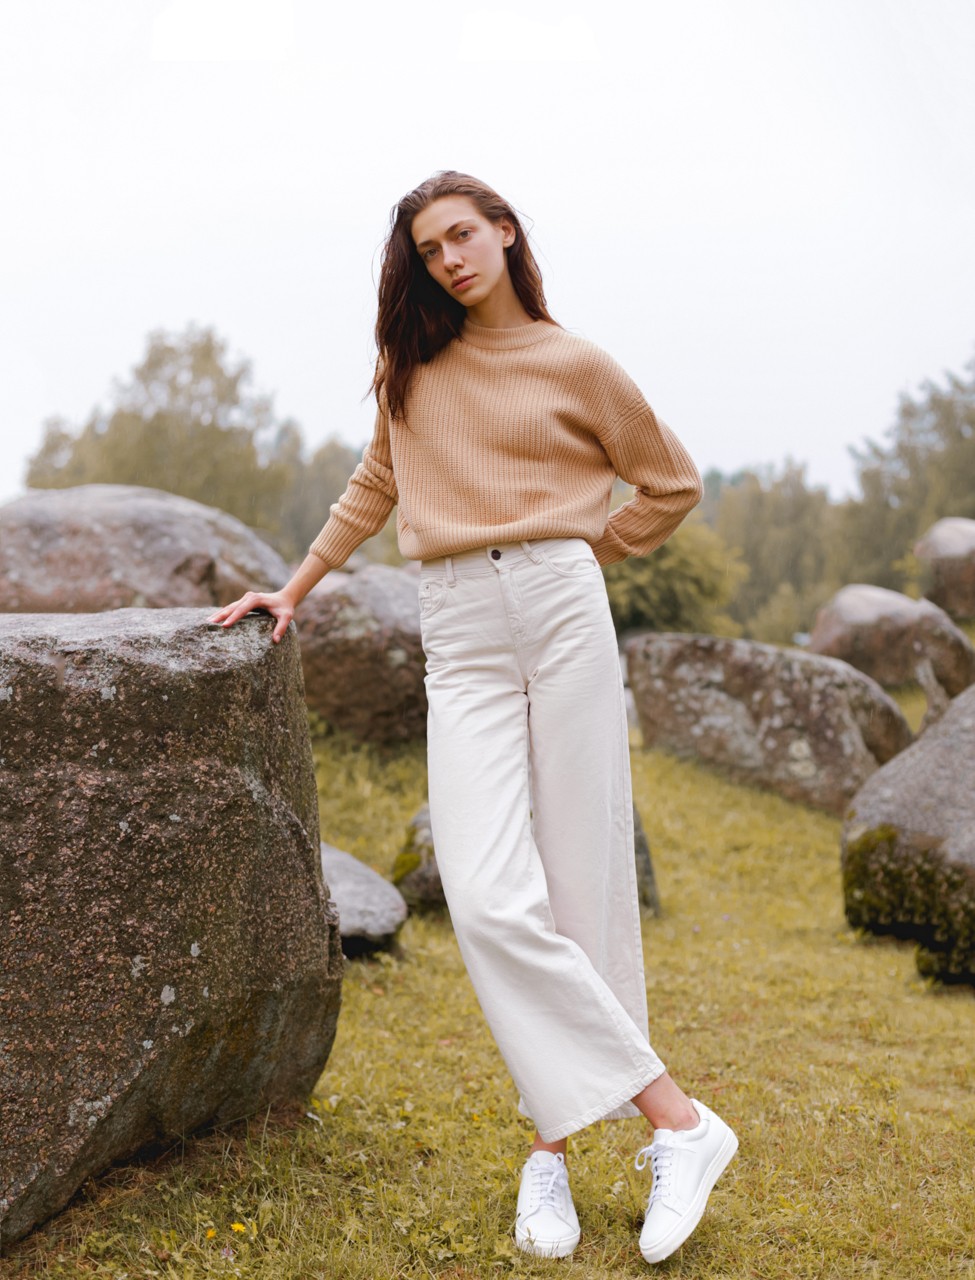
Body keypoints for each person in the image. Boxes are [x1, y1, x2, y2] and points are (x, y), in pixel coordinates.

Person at [208, 170, 738, 1266]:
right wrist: (293, 589)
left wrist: (587, 551)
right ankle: (680, 1121)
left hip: (559, 605)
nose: (449, 259)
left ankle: (550, 1152)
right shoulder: (412, 366)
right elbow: (374, 483)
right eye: (429, 248)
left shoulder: (575, 362)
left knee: (580, 883)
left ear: (504, 232)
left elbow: (670, 482)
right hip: (457, 624)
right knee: (488, 891)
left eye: (462, 235)